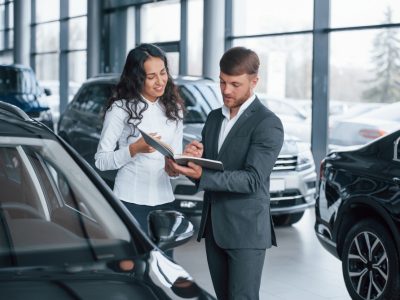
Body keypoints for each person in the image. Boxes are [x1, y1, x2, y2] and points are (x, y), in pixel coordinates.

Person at [166, 46, 284, 299]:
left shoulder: (267, 123)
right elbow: (207, 169)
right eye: (222, 82)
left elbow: (253, 179)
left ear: (255, 81)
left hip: (246, 232)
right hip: (214, 228)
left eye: (235, 84)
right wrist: (190, 162)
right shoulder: (214, 118)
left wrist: (202, 176)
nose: (226, 90)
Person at [95, 43, 184, 238]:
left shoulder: (174, 109)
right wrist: (134, 149)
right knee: (136, 264)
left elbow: (174, 161)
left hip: (165, 201)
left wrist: (175, 168)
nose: (160, 81)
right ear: (137, 78)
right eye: (151, 77)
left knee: (163, 262)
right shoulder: (120, 109)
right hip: (130, 200)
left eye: (163, 73)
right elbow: (101, 161)